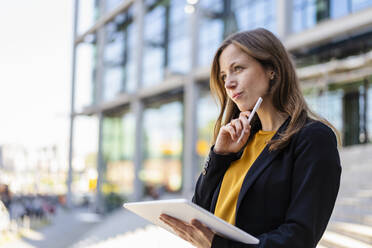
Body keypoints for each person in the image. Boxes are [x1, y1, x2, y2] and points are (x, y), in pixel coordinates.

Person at [159, 28, 341, 248]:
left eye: (238, 69)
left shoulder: (313, 138)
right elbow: (200, 212)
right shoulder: (238, 142)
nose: (228, 84)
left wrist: (218, 246)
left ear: (272, 69)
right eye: (224, 75)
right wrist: (219, 156)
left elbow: (299, 238)